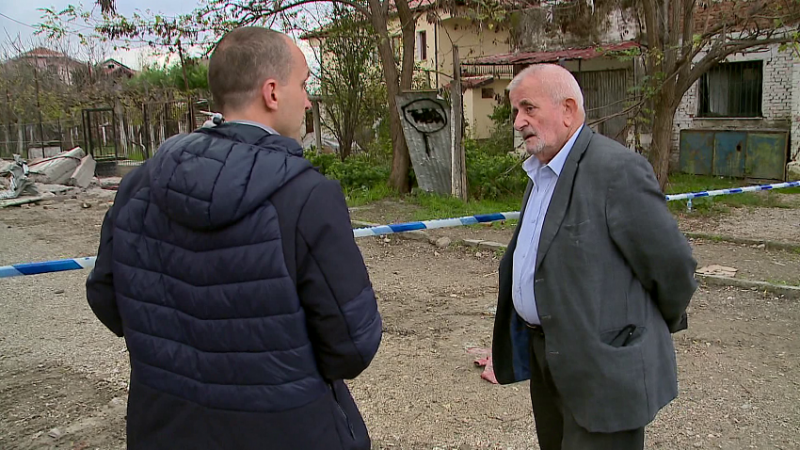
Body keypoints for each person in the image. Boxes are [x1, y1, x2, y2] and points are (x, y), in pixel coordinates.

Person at [85, 27, 382, 450]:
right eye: (304, 85)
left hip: (163, 428)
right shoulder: (307, 196)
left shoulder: (139, 184)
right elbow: (352, 343)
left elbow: (106, 295)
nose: (308, 101)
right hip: (287, 431)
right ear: (272, 92)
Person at [491, 64, 697, 450]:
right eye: (515, 111)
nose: (518, 122)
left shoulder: (616, 170)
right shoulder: (541, 173)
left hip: (604, 373)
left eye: (528, 108)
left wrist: (639, 330)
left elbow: (673, 267)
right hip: (548, 359)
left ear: (568, 110)